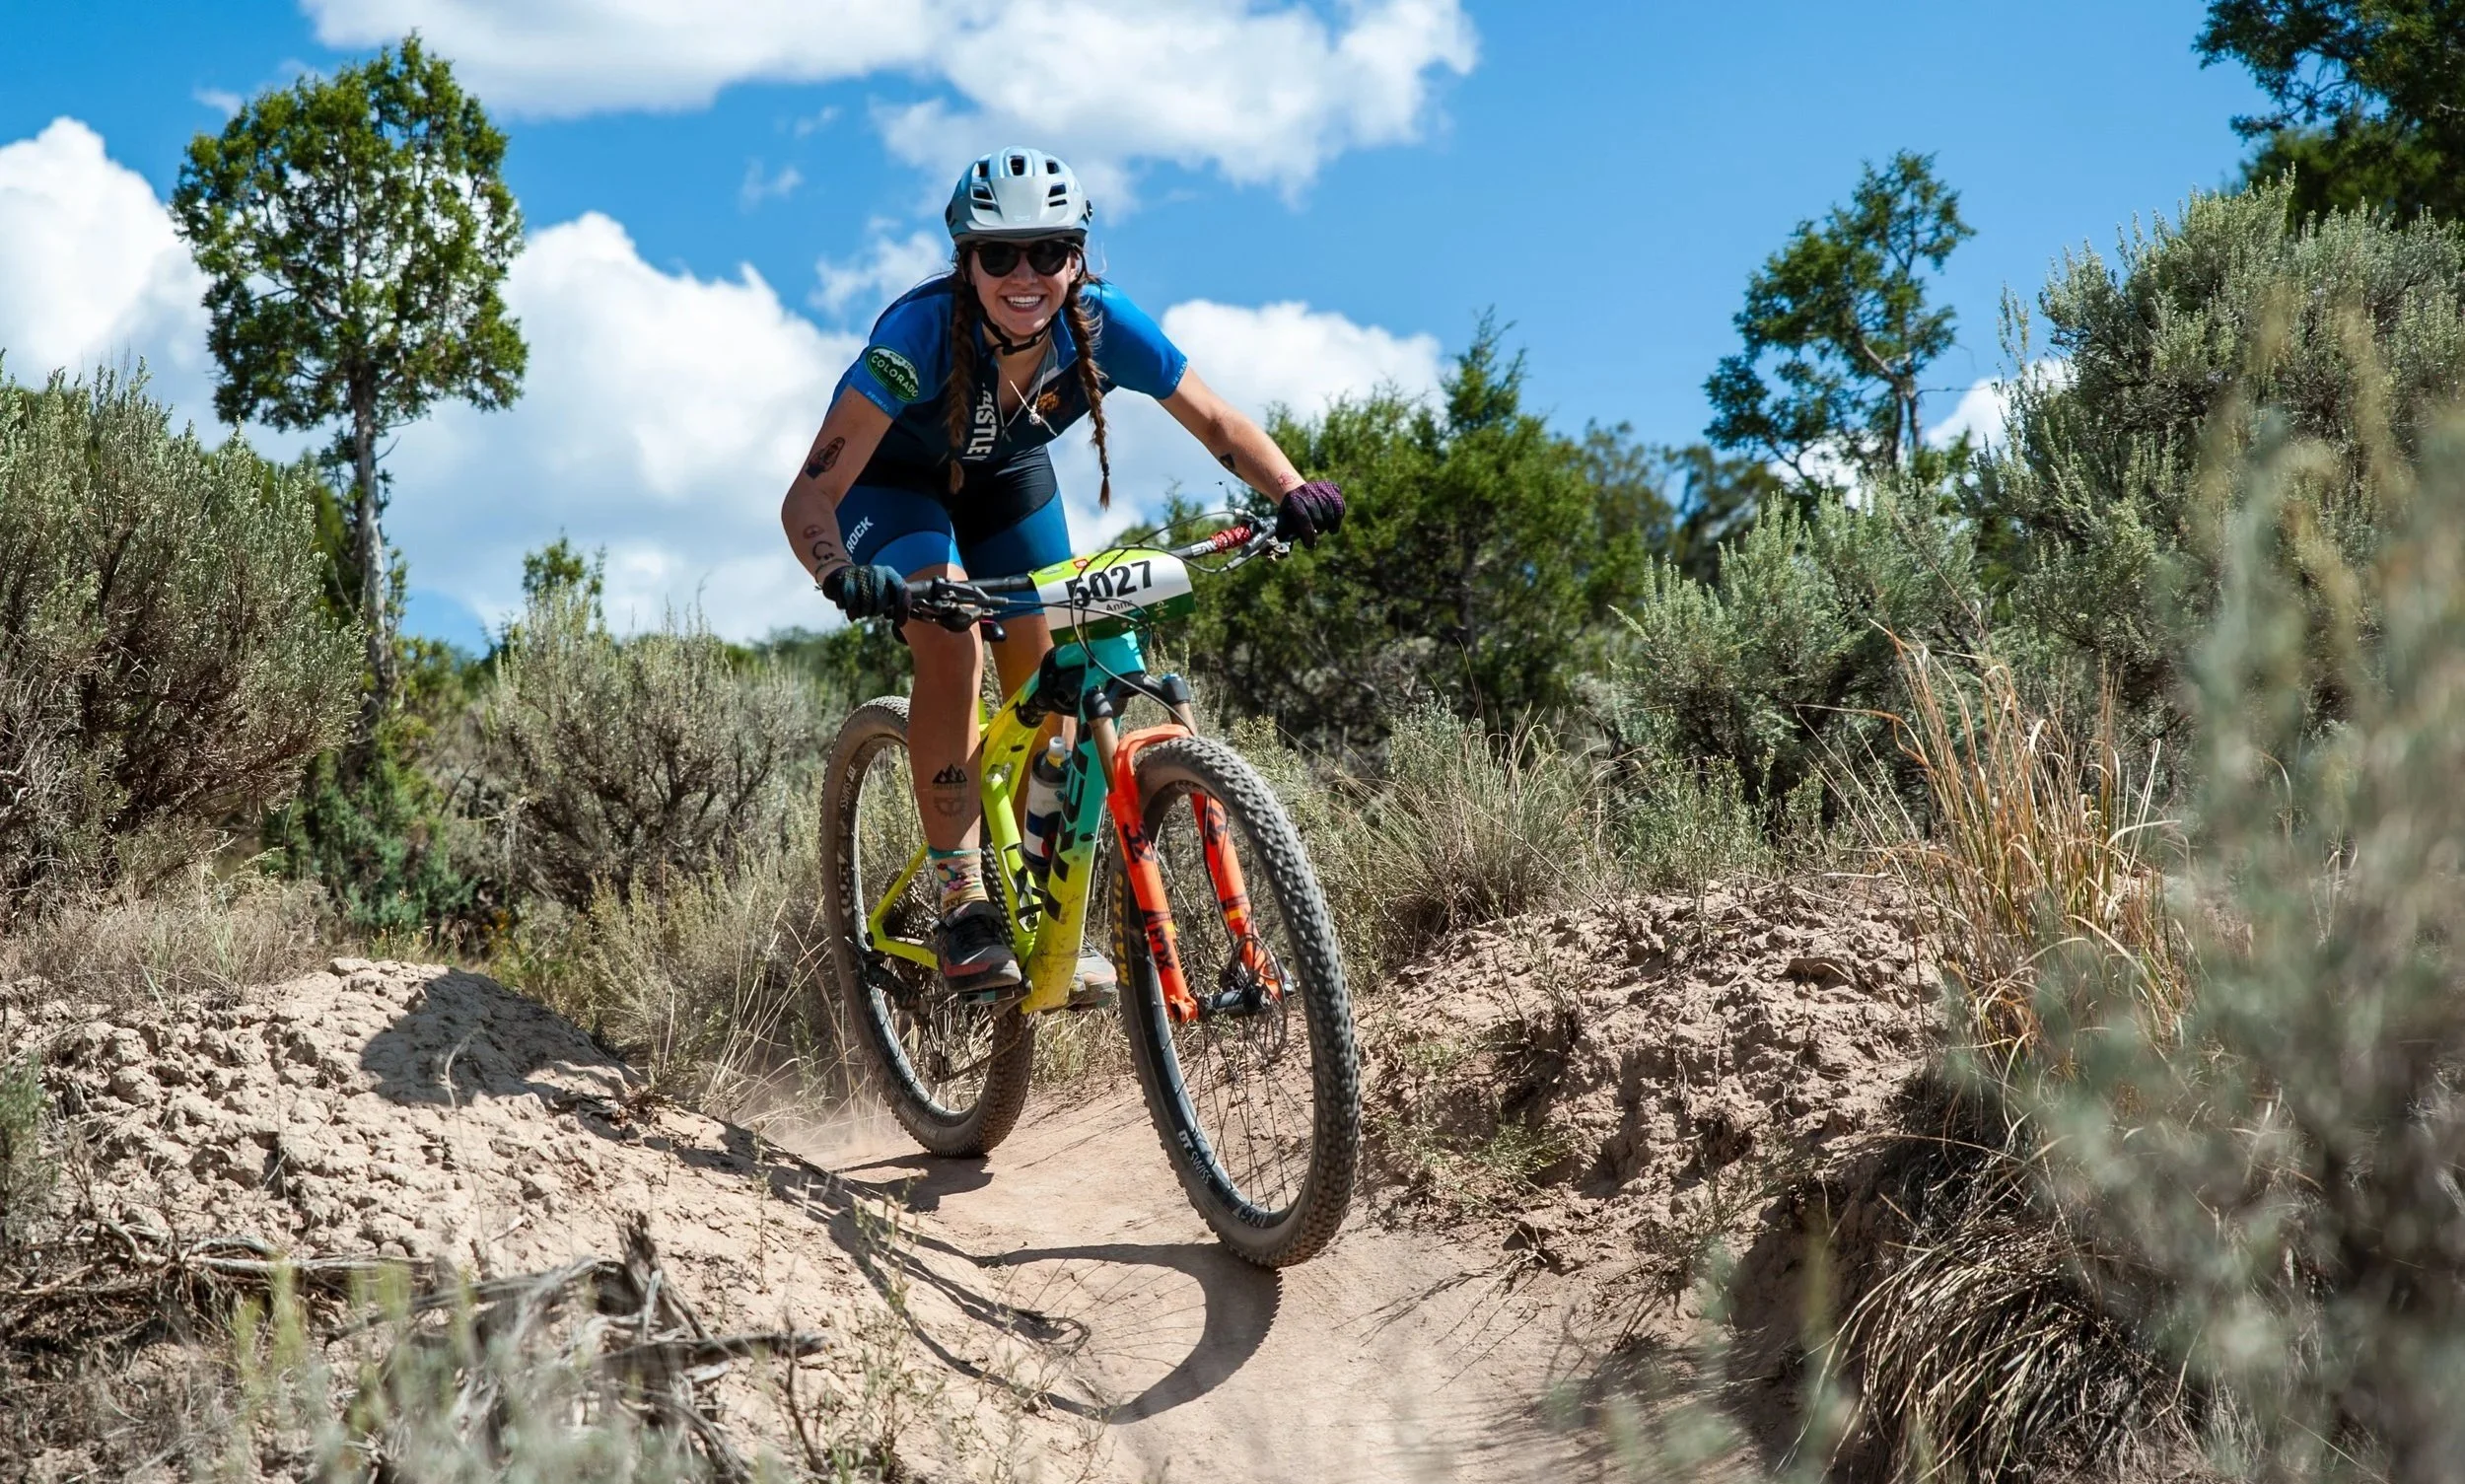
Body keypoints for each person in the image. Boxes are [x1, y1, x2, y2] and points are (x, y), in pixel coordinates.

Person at [781, 146, 1346, 998]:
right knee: (953, 637)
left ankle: (1048, 911)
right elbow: (809, 494)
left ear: (1075, 257)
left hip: (1008, 481)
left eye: (1047, 251)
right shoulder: (918, 337)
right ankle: (963, 896)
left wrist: (1292, 487)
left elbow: (1219, 421)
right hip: (893, 486)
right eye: (998, 253)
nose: (1025, 273)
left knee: (1055, 678)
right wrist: (840, 573)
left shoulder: (1104, 321)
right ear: (965, 262)